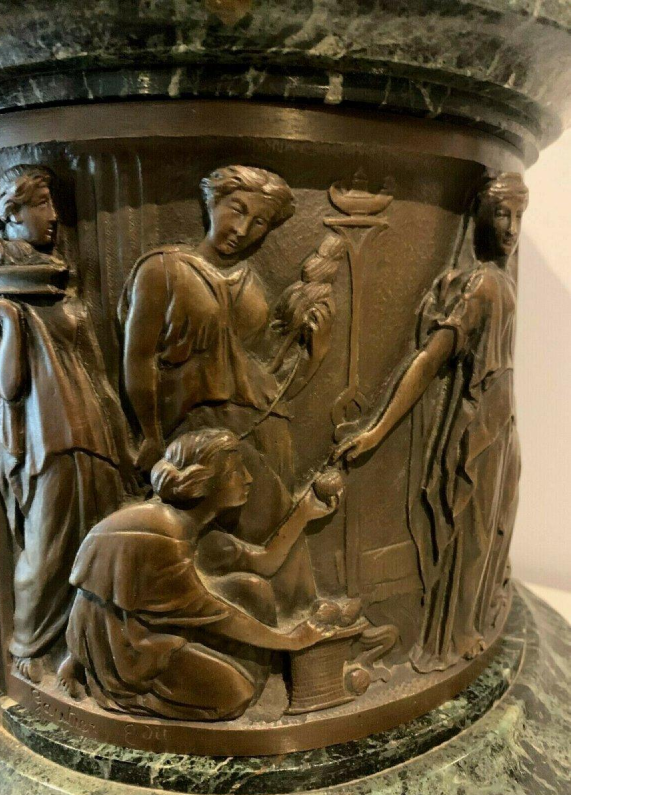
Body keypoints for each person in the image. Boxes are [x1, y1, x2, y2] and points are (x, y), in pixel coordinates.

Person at [334, 172, 528, 672]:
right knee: (474, 528)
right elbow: (427, 361)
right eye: (501, 215)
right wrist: (378, 429)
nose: (512, 228)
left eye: (518, 216)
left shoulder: (503, 277)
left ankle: (470, 621)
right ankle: (456, 632)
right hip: (477, 428)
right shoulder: (482, 286)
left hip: (501, 423)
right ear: (480, 216)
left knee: (494, 522)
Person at [117, 166, 331, 617]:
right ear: (212, 201)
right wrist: (150, 434)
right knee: (248, 527)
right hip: (200, 430)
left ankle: (284, 618)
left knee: (272, 523)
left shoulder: (251, 285)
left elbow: (266, 376)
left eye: (260, 222)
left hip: (260, 425)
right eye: (237, 209)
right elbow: (138, 358)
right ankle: (275, 618)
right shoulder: (163, 269)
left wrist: (317, 349)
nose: (243, 229)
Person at [0, 165, 134, 683]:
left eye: (51, 202)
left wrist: (120, 434)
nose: (54, 214)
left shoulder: (53, 275)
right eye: (41, 203)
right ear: (10, 211)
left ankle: (85, 645)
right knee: (48, 543)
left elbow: (92, 367)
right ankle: (28, 643)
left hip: (89, 426)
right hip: (46, 435)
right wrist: (10, 320)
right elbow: (7, 384)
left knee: (94, 534)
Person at [58, 429, 340, 720]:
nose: (248, 478)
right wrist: (291, 640)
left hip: (150, 627)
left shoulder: (191, 522)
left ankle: (239, 680)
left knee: (252, 587)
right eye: (235, 472)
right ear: (202, 482)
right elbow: (215, 615)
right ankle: (125, 693)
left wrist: (303, 513)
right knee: (235, 695)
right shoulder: (163, 535)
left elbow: (264, 563)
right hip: (126, 648)